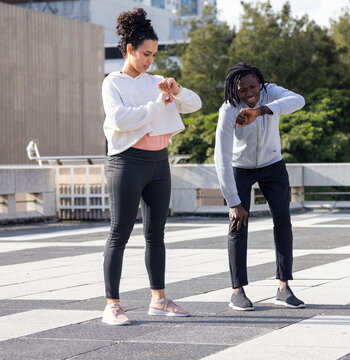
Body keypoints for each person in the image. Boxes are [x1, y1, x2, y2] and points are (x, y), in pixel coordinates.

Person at [101, 8, 202, 325]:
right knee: (120, 233)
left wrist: (177, 91)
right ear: (130, 49)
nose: (150, 60)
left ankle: (158, 299)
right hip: (127, 162)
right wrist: (158, 104)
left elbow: (195, 104)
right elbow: (120, 120)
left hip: (159, 163)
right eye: (145, 53)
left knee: (156, 234)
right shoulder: (112, 83)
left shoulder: (158, 81)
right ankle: (112, 305)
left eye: (154, 55)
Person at [214, 62, 306, 311]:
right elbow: (221, 157)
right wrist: (233, 201)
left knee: (283, 221)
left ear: (260, 84)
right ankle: (237, 290)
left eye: (253, 86)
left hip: (272, 164)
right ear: (235, 89)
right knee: (237, 224)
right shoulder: (229, 109)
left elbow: (298, 101)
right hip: (240, 167)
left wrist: (263, 110)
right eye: (242, 89)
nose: (248, 93)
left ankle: (284, 287)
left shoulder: (269, 92)